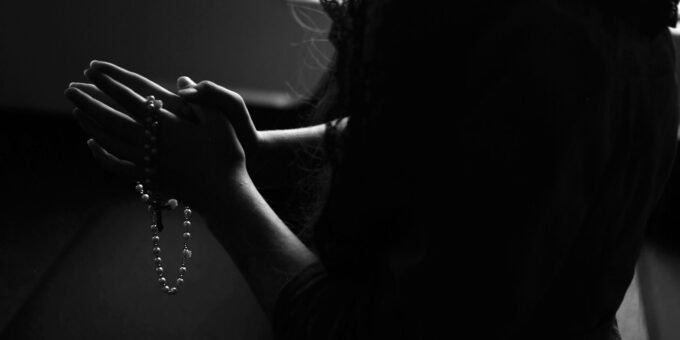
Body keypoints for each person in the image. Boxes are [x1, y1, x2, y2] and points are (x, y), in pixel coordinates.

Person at [65, 0, 679, 338]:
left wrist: (223, 193)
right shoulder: (599, 22)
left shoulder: (548, 58)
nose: (336, 15)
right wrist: (257, 152)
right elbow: (455, 138)